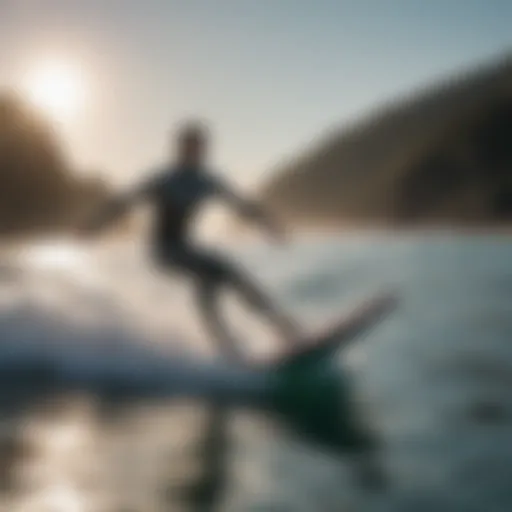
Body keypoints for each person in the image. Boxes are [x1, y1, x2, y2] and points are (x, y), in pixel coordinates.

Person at [81, 121, 300, 361]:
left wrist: (271, 227)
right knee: (219, 271)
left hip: (185, 248)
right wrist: (94, 225)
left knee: (221, 276)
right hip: (164, 251)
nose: (197, 152)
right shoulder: (164, 179)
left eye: (201, 147)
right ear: (180, 149)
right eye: (191, 147)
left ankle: (271, 332)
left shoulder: (207, 181)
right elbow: (125, 201)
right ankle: (238, 343)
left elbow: (243, 205)